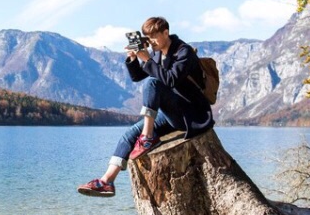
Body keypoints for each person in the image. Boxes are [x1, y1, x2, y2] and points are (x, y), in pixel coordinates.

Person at [77, 16, 214, 197]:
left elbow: (170, 79)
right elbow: (137, 76)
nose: (151, 42)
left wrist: (148, 60)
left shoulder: (184, 52)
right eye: (147, 39)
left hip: (191, 114)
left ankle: (147, 136)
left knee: (152, 83)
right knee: (129, 135)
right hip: (171, 114)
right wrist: (134, 59)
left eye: (154, 37)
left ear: (166, 33)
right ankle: (106, 181)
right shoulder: (157, 54)